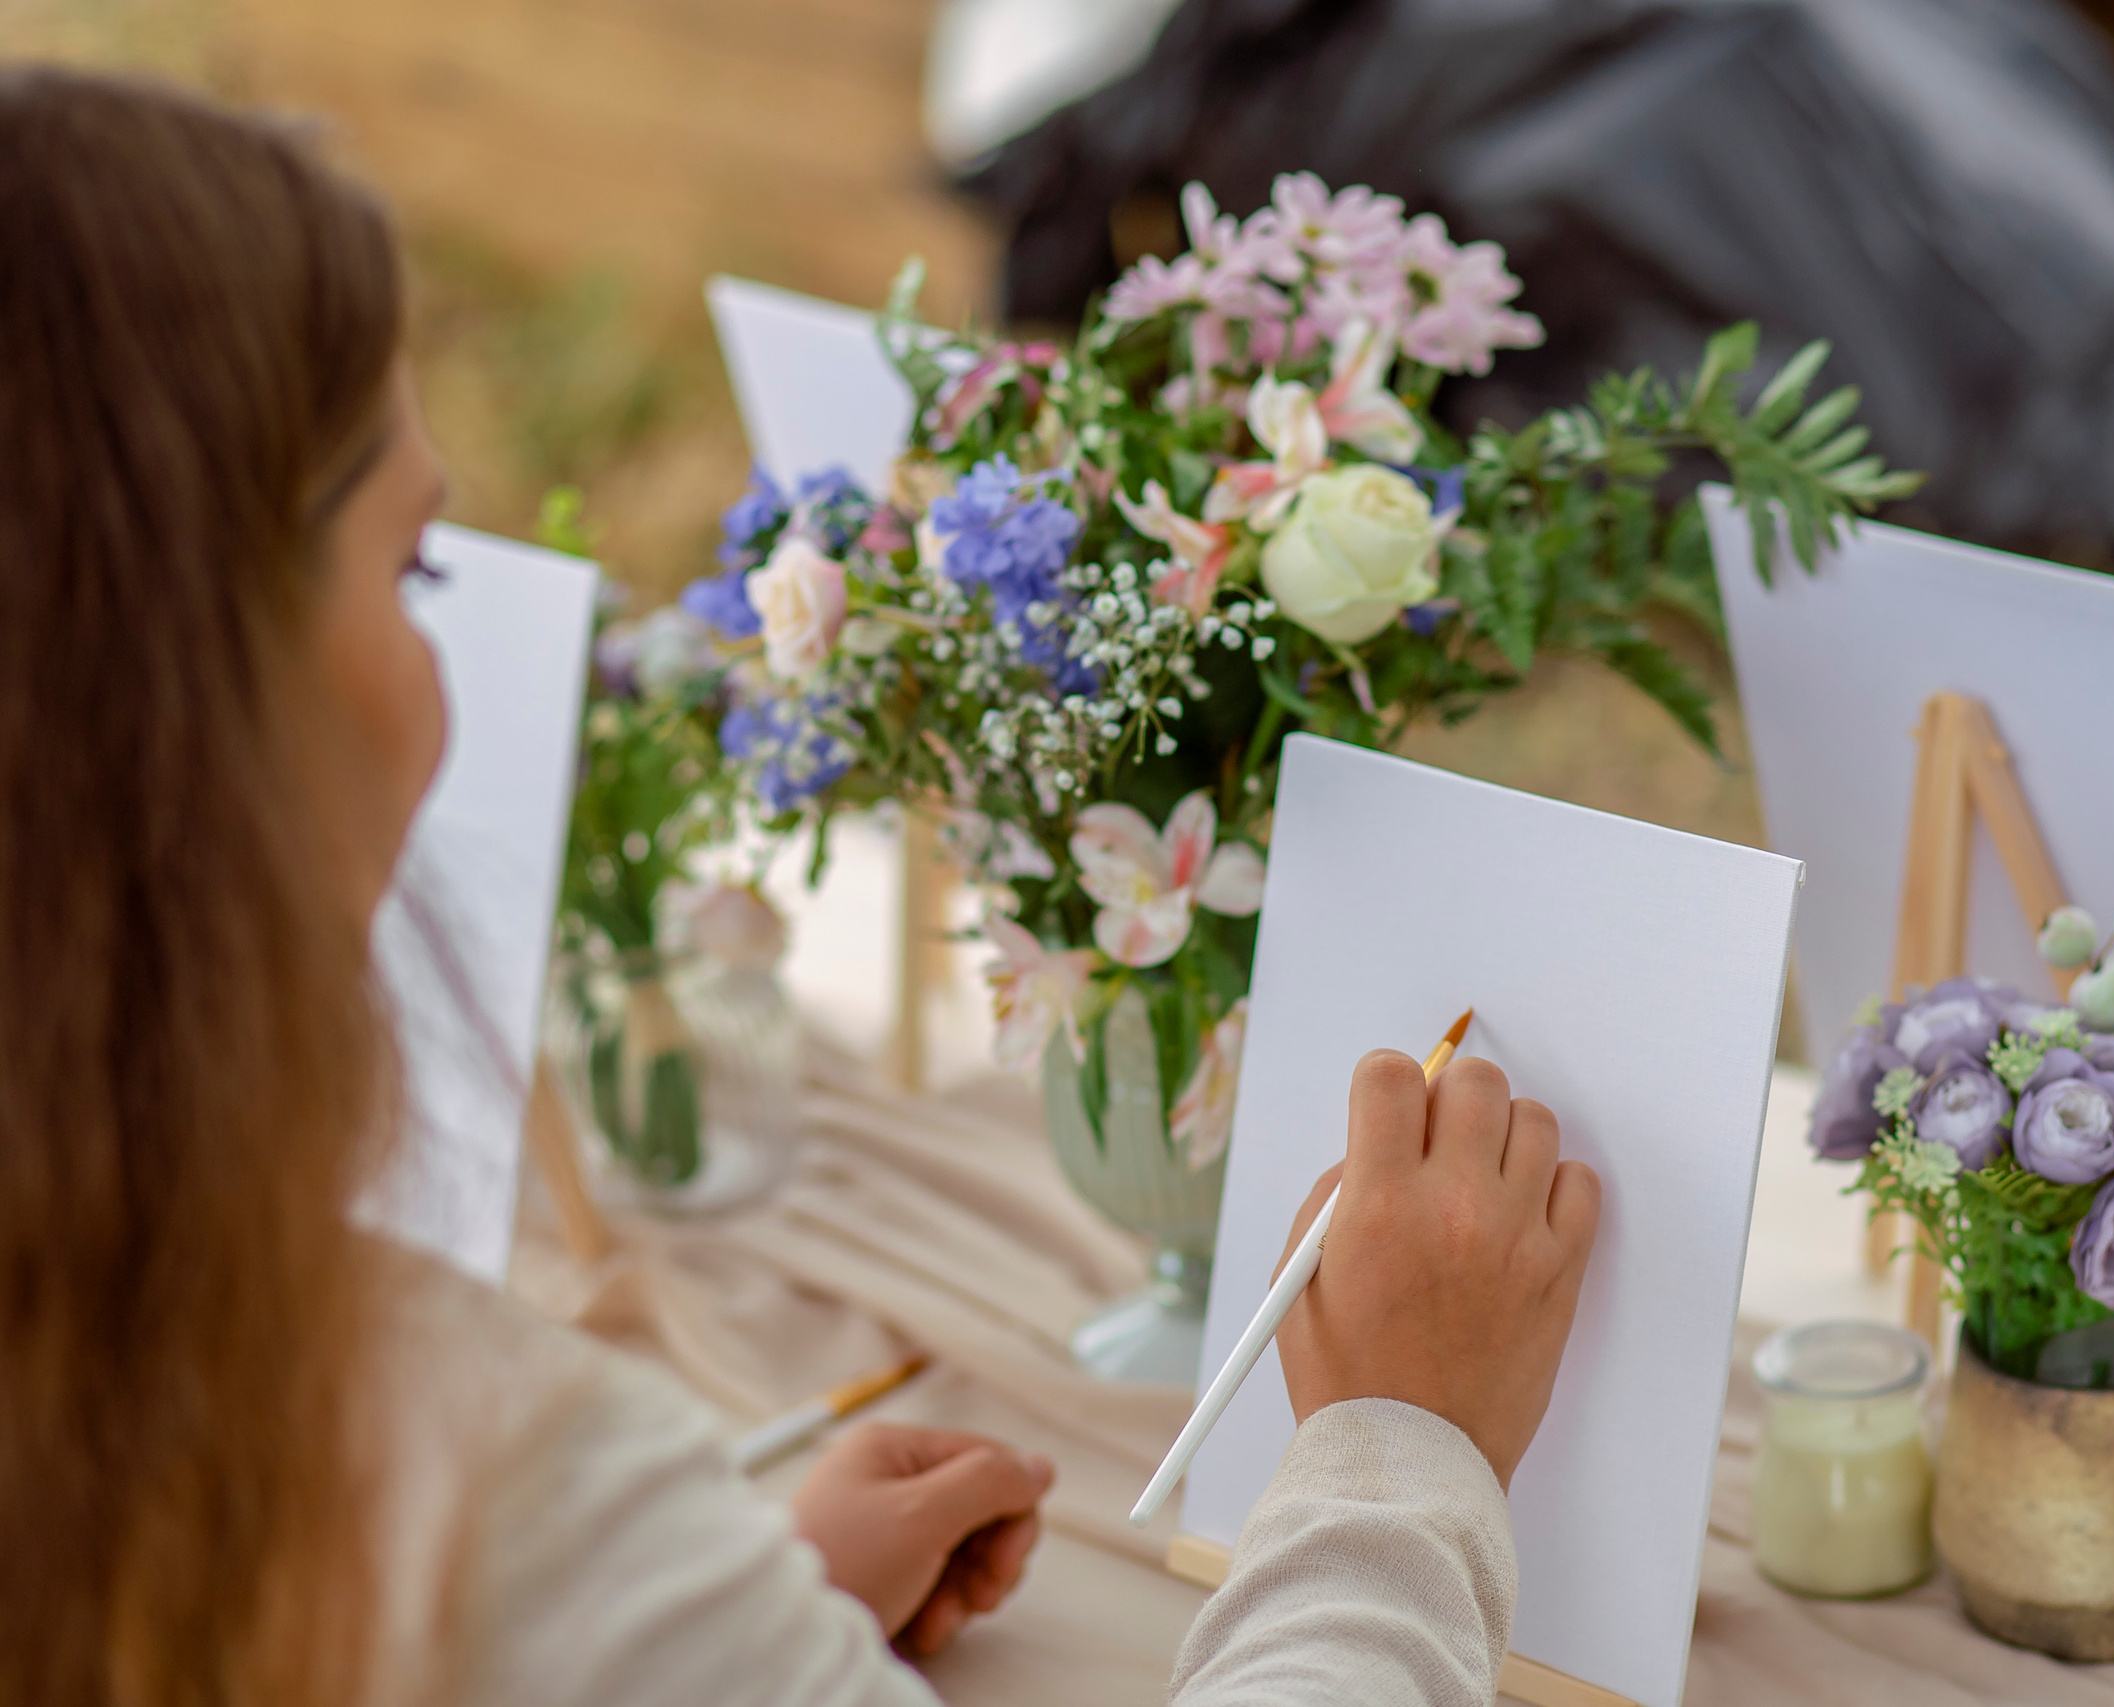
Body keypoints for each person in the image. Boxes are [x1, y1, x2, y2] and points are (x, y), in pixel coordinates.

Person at [0, 65, 1601, 1707]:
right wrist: (1401, 1456)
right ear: (184, 689)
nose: (441, 679)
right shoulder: (438, 1469)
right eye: (415, 569)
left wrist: (699, 1629)